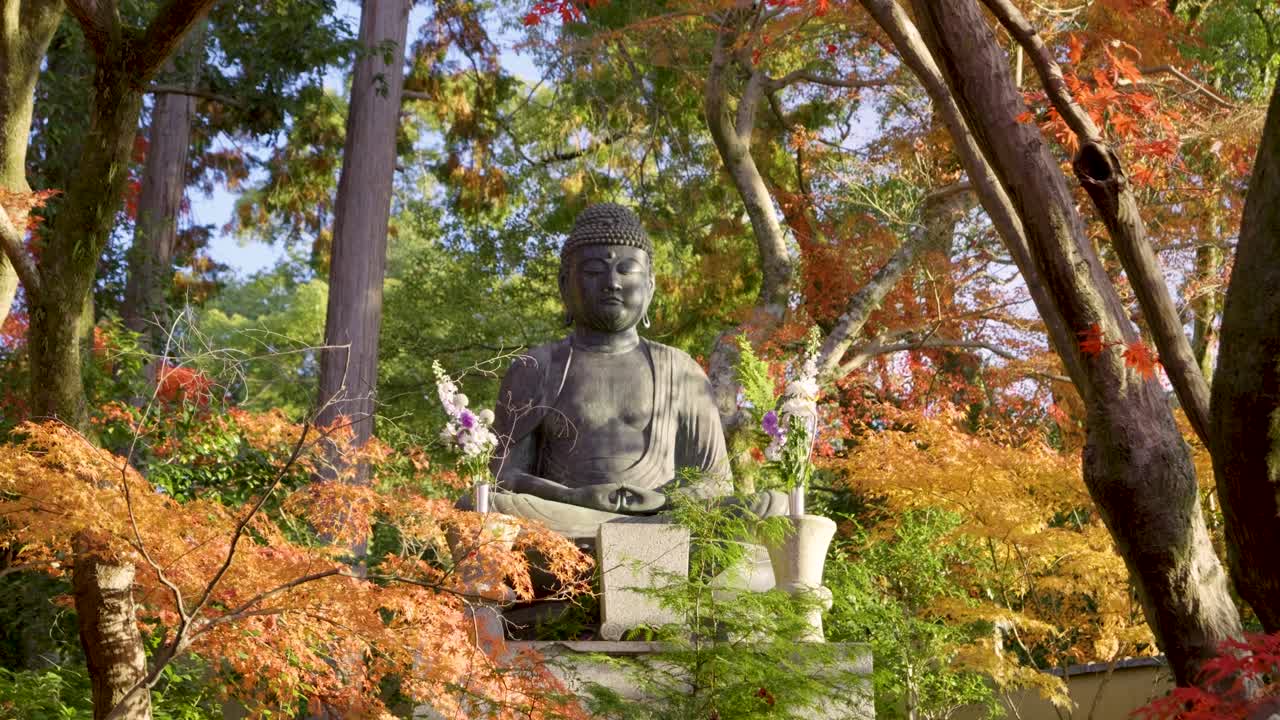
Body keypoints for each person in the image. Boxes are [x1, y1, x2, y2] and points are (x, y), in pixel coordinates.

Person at [481, 203, 782, 541]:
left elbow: (714, 482)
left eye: (626, 270)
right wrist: (573, 496)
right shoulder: (537, 367)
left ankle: (639, 537)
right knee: (485, 505)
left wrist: (660, 500)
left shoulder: (681, 369)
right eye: (594, 271)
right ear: (565, 285)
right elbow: (503, 477)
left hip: (664, 522)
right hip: (566, 523)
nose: (611, 283)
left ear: (650, 287)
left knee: (771, 506)